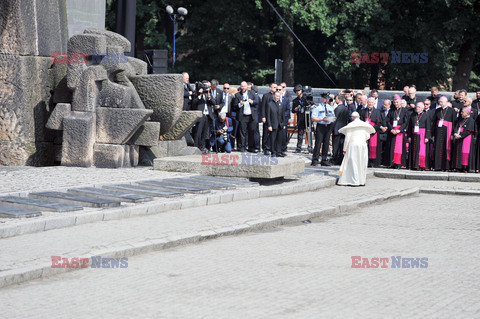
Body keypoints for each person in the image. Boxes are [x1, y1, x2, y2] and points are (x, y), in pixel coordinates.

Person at [337, 112, 376, 186]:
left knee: (353, 163)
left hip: (353, 145)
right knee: (362, 162)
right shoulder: (364, 125)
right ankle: (362, 181)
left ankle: (354, 181)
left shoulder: (351, 125)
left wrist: (344, 149)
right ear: (359, 117)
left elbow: (347, 139)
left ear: (352, 118)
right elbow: (367, 136)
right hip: (363, 145)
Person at [432, 96, 458, 171]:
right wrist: (433, 134)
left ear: (446, 102)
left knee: (446, 148)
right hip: (438, 132)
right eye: (439, 102)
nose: (440, 103)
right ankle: (437, 166)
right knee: (438, 148)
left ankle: (446, 166)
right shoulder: (437, 110)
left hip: (448, 133)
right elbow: (433, 123)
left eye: (442, 102)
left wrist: (453, 133)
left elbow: (454, 123)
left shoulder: (452, 110)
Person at [233, 81, 259, 152]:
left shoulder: (252, 93)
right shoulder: (237, 95)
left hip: (251, 116)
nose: (243, 88)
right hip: (243, 116)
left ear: (247, 86)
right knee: (242, 132)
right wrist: (240, 104)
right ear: (240, 87)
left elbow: (257, 101)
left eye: (244, 86)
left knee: (252, 132)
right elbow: (235, 106)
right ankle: (242, 147)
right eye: (242, 86)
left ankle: (251, 147)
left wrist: (252, 101)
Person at [311, 93, 335, 166]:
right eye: (325, 98)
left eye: (327, 98)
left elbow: (333, 116)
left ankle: (324, 159)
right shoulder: (317, 107)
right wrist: (322, 119)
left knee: (326, 143)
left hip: (328, 126)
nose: (326, 100)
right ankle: (315, 159)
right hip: (321, 125)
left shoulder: (330, 107)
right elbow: (313, 118)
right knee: (318, 143)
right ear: (322, 98)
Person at [191, 80, 215, 153]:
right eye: (204, 86)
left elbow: (214, 103)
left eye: (207, 86)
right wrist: (199, 95)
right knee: (198, 132)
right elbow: (193, 103)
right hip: (200, 115)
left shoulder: (209, 93)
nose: (206, 88)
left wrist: (209, 98)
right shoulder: (197, 93)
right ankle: (196, 146)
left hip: (207, 115)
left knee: (205, 133)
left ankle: (202, 146)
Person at [386, 96, 409, 168]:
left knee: (399, 148)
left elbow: (406, 122)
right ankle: (392, 163)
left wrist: (400, 130)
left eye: (397, 102)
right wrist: (391, 129)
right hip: (393, 131)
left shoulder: (405, 111)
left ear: (400, 102)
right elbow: (388, 121)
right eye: (395, 102)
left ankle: (399, 163)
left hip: (400, 132)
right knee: (392, 148)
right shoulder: (391, 111)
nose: (396, 104)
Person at [360, 97, 383, 167]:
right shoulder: (363, 111)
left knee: (373, 147)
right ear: (367, 102)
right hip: (364, 131)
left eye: (372, 103)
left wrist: (372, 129)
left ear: (374, 103)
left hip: (373, 132)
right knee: (365, 147)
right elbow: (360, 121)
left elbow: (378, 123)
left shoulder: (377, 112)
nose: (370, 104)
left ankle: (372, 162)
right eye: (369, 102)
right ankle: (365, 161)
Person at [408, 102, 431, 170]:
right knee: (414, 150)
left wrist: (427, 137)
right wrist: (409, 136)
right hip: (414, 134)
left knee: (421, 150)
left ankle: (420, 165)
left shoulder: (426, 115)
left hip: (422, 135)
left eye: (419, 107)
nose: (417, 108)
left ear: (422, 108)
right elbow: (409, 126)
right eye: (416, 107)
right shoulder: (413, 115)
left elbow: (428, 127)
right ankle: (413, 165)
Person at [451, 107, 476, 172]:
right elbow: (456, 127)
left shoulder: (471, 120)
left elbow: (468, 131)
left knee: (465, 153)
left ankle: (465, 167)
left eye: (462, 112)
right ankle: (458, 167)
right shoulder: (460, 120)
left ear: (467, 113)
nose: (461, 113)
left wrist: (460, 136)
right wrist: (455, 133)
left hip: (466, 138)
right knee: (458, 152)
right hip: (459, 137)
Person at [266, 91, 286, 157]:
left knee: (280, 139)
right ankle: (273, 152)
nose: (278, 97)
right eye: (277, 96)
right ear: (273, 96)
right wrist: (269, 125)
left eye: (279, 96)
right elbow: (268, 116)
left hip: (280, 124)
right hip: (273, 124)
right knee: (273, 139)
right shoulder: (270, 104)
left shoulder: (281, 104)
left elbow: (283, 115)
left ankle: (279, 151)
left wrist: (284, 124)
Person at [332, 94, 349, 165]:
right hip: (343, 129)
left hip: (337, 129)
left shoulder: (338, 108)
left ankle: (334, 159)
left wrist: (331, 129)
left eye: (336, 99)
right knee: (341, 145)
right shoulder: (345, 108)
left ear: (339, 100)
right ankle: (340, 159)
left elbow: (334, 119)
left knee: (335, 146)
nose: (335, 100)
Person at [261, 83, 277, 155]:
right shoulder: (266, 96)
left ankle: (272, 147)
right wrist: (263, 116)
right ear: (270, 88)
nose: (275, 89)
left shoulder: (277, 96)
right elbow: (263, 107)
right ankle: (264, 148)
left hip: (274, 118)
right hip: (267, 117)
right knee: (266, 133)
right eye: (274, 87)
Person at [292, 84, 308, 153]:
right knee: (300, 134)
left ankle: (310, 147)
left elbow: (311, 105)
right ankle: (298, 148)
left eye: (299, 90)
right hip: (300, 118)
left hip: (307, 118)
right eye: (296, 91)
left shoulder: (306, 98)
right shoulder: (295, 100)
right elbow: (292, 110)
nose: (298, 92)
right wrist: (295, 109)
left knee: (308, 133)